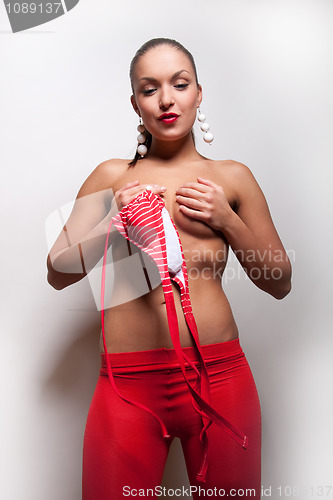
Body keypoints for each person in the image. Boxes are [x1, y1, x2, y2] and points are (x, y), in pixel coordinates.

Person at [47, 37, 292, 500]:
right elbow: (57, 271)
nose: (166, 99)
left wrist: (227, 219)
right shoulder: (111, 177)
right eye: (149, 88)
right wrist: (108, 225)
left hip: (219, 379)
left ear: (199, 93)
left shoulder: (231, 178)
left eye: (180, 84)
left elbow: (280, 280)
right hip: (127, 387)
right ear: (135, 102)